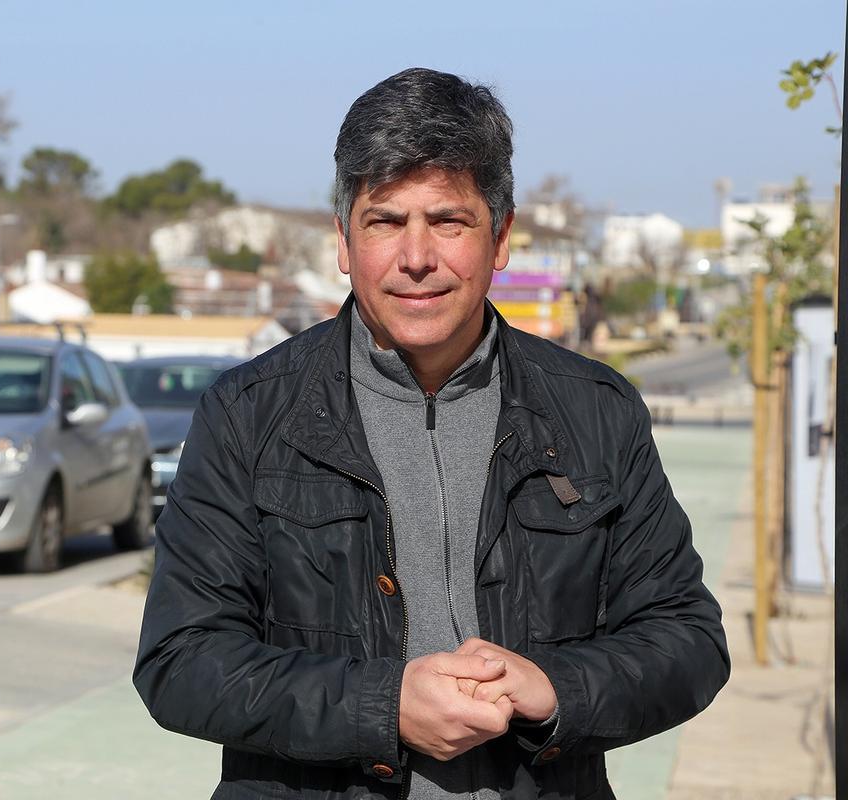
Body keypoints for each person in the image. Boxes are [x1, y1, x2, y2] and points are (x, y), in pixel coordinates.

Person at [134, 68, 729, 800]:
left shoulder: (598, 411)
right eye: (385, 222)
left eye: (448, 221)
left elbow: (688, 638)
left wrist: (556, 689)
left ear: (501, 237)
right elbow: (181, 659)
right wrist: (382, 707)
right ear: (344, 241)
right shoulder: (246, 414)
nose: (416, 258)